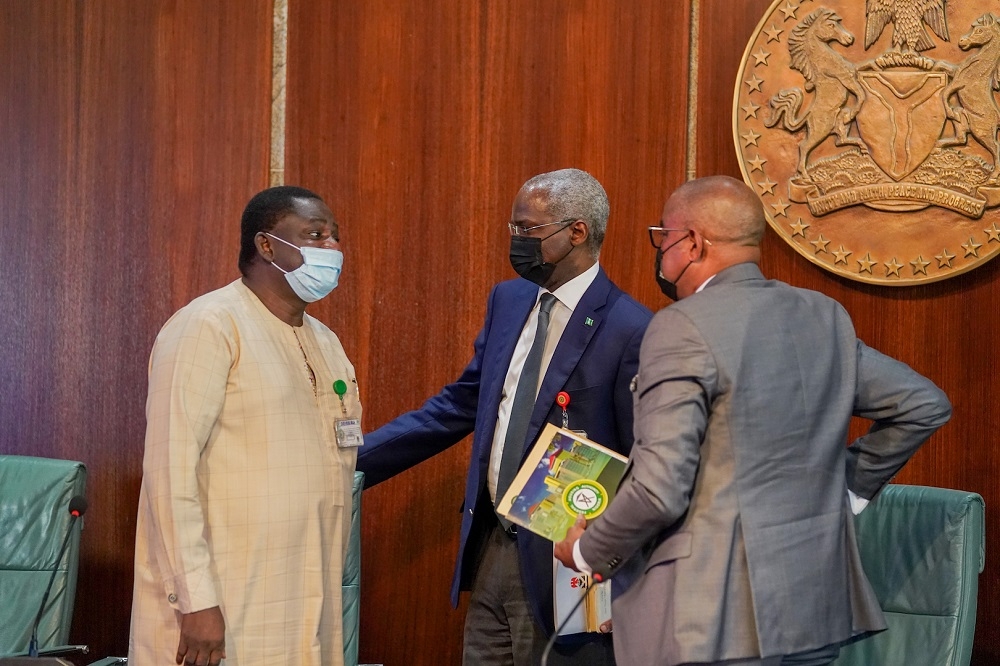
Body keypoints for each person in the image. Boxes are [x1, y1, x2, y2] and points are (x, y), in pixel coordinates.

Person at [554, 175, 952, 666]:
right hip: (815, 607)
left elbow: (660, 489)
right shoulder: (822, 315)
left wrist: (587, 551)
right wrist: (846, 489)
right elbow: (923, 405)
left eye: (663, 239)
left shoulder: (681, 325)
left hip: (709, 618)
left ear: (693, 243)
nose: (661, 255)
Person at [358, 168, 652, 665]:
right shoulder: (509, 299)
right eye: (513, 229)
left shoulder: (631, 327)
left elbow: (642, 459)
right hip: (492, 542)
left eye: (527, 231)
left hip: (564, 560)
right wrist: (357, 461)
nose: (515, 241)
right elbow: (463, 403)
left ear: (576, 232)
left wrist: (613, 565)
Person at [129, 186, 361, 666]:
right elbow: (169, 474)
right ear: (267, 245)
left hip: (307, 594)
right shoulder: (209, 325)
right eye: (315, 235)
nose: (332, 250)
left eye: (335, 237)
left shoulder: (326, 342)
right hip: (222, 600)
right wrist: (196, 601)